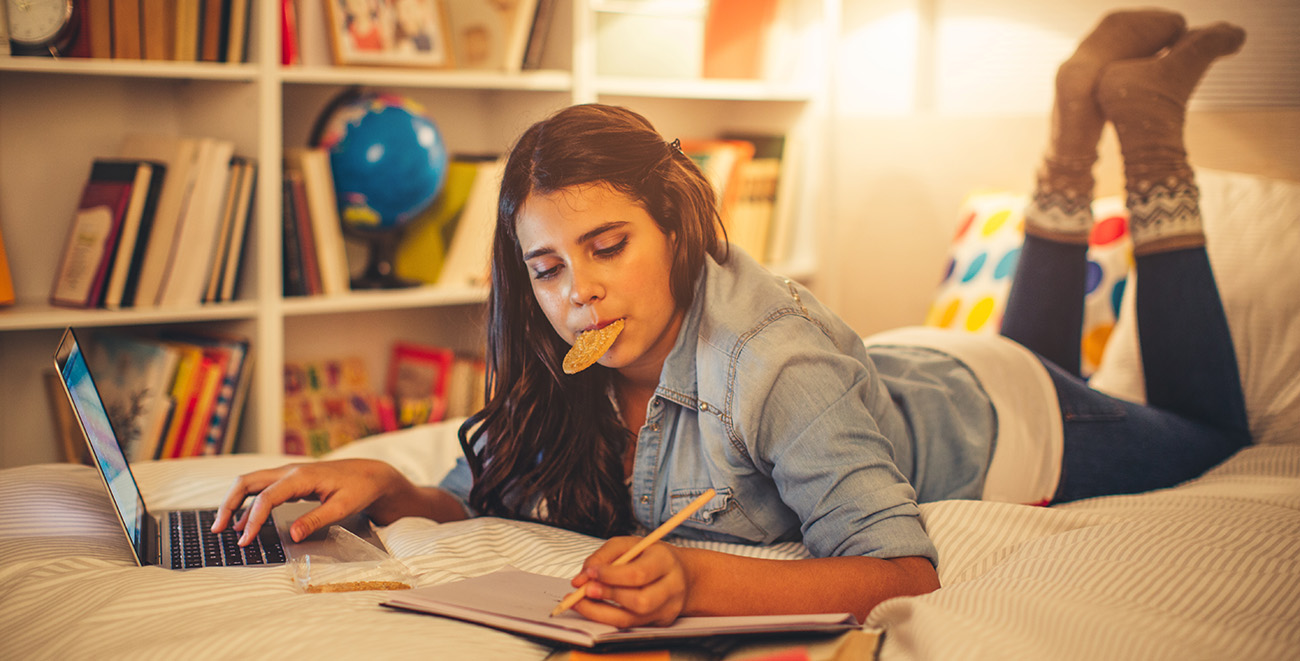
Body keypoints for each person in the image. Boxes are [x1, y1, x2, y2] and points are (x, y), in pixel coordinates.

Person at [213, 11, 1248, 627]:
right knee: (1027, 343)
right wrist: (390, 486)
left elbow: (904, 565)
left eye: (607, 246)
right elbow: (487, 499)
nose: (575, 288)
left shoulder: (776, 369)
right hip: (898, 368)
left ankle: (1147, 139)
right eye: (546, 266)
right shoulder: (564, 351)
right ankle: (1073, 122)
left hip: (1005, 416)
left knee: (1215, 435)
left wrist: (704, 577)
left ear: (669, 223)